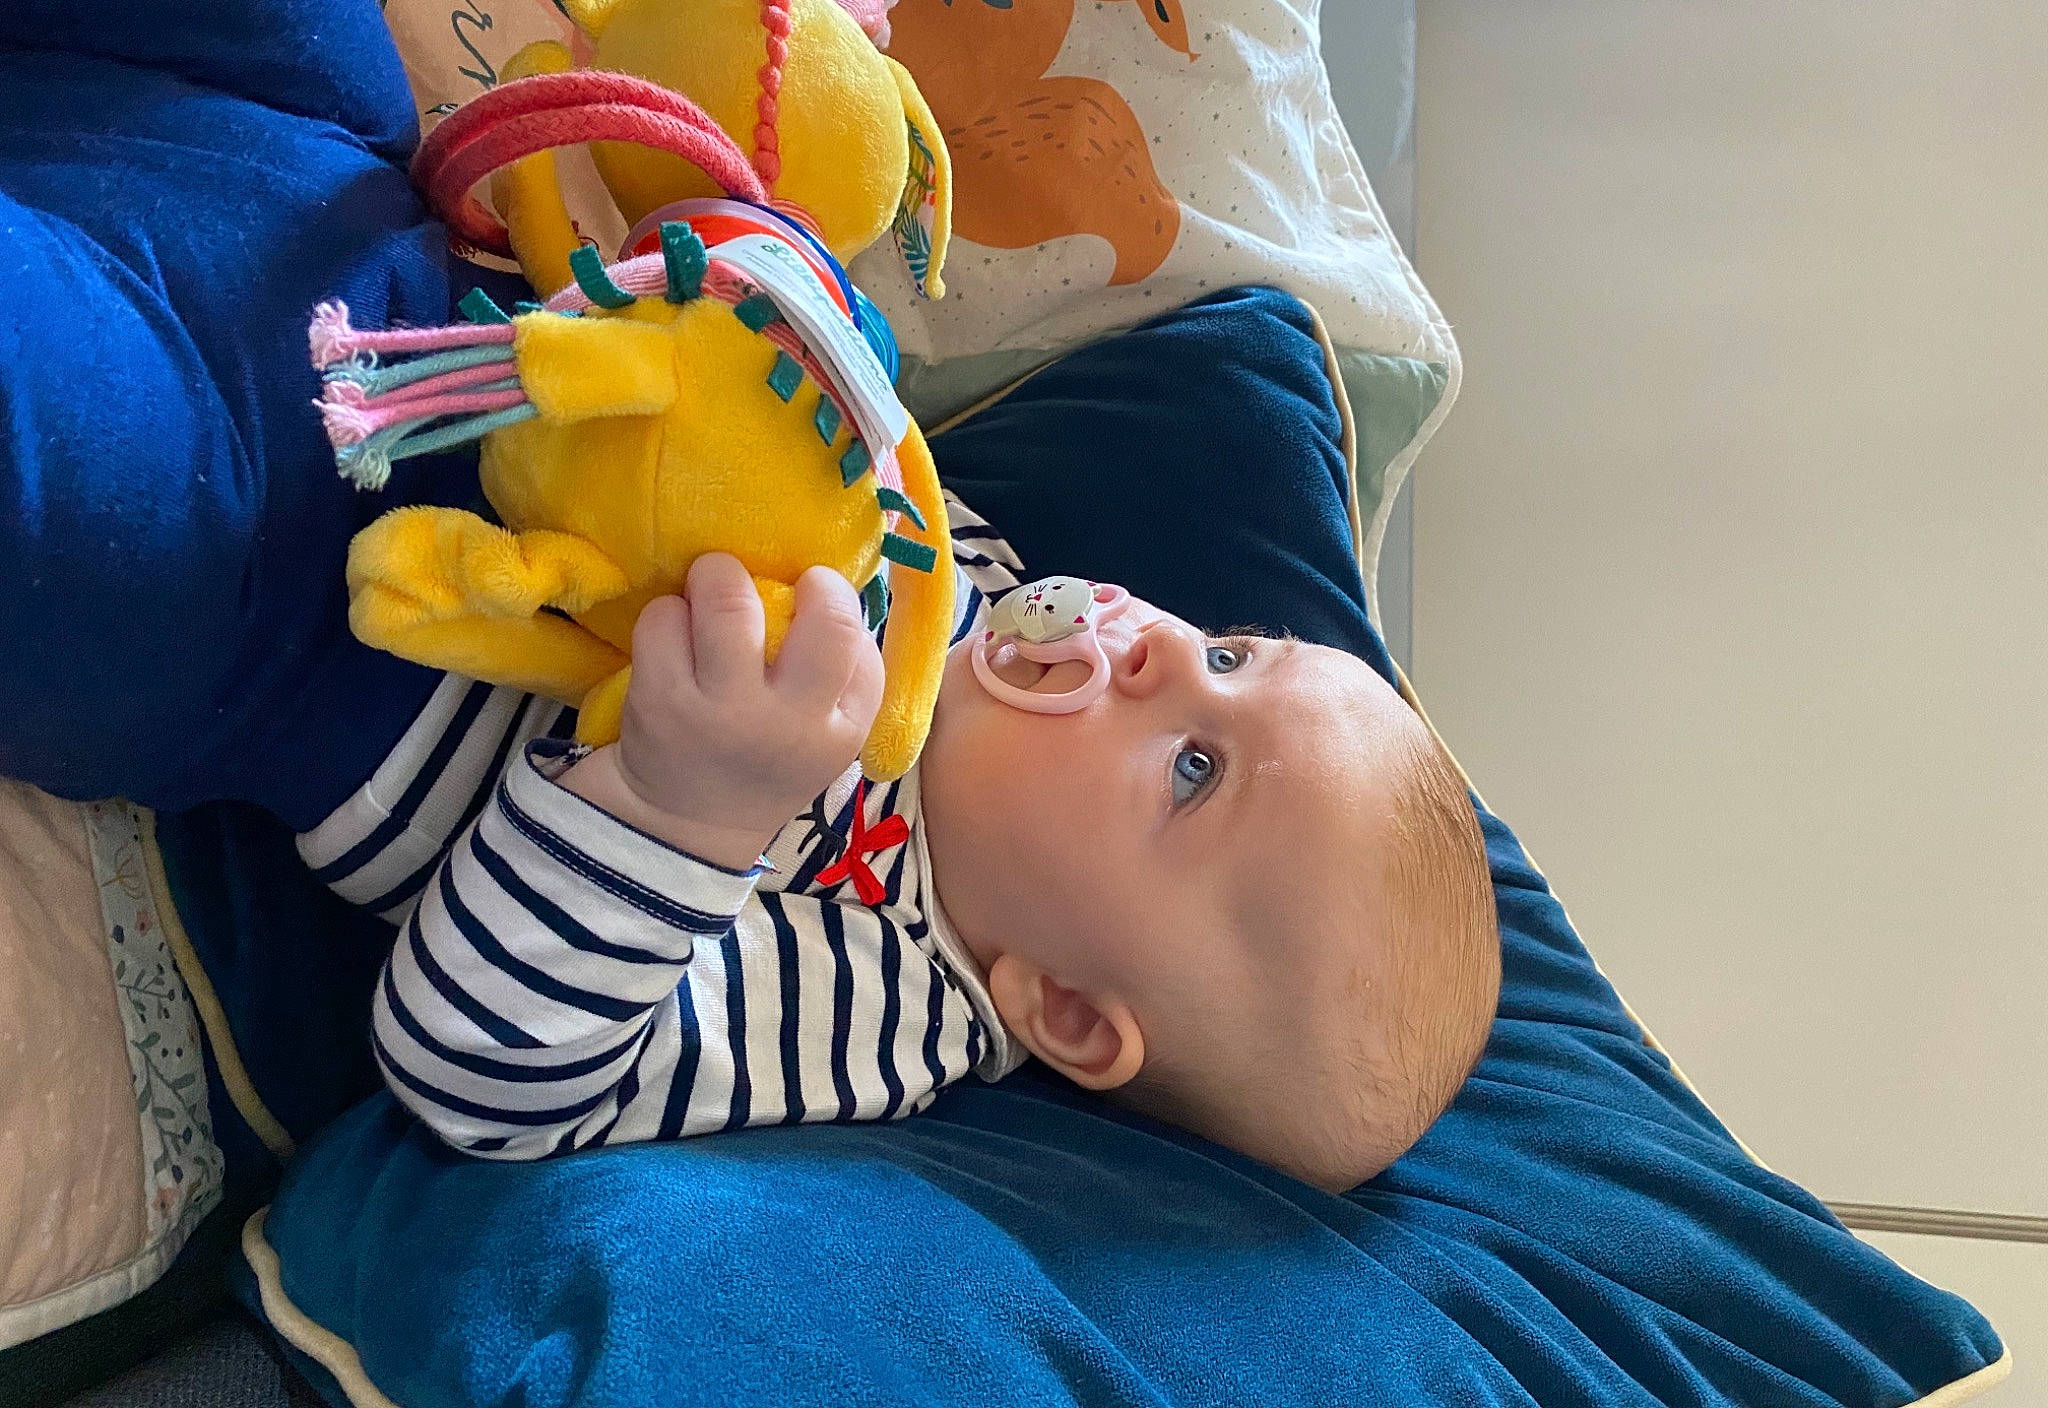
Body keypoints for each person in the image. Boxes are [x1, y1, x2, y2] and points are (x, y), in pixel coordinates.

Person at [306, 482, 1499, 1193]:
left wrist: (685, 813)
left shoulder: (881, 999)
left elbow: (487, 1078)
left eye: (1193, 770)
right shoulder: (981, 592)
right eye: (1231, 653)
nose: (1164, 645)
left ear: (1065, 1012)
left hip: (353, 671)